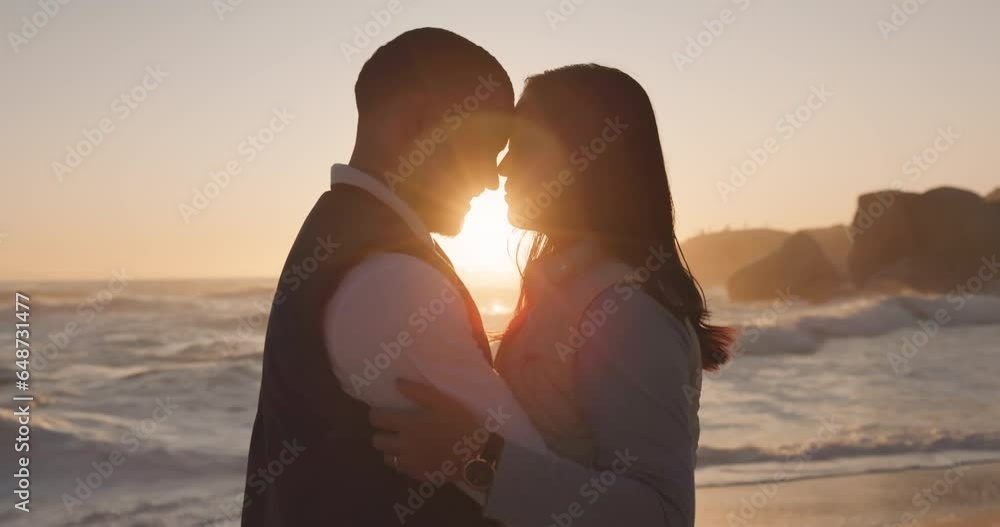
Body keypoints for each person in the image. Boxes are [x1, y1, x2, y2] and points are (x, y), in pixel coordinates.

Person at [370, 64, 734, 526]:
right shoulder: (563, 294)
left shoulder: (623, 311)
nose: (501, 165)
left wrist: (477, 457)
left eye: (523, 141)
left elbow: (660, 513)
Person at [241, 27, 530, 526]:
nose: (489, 180)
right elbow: (542, 487)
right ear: (415, 125)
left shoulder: (340, 238)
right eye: (485, 146)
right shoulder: (397, 286)